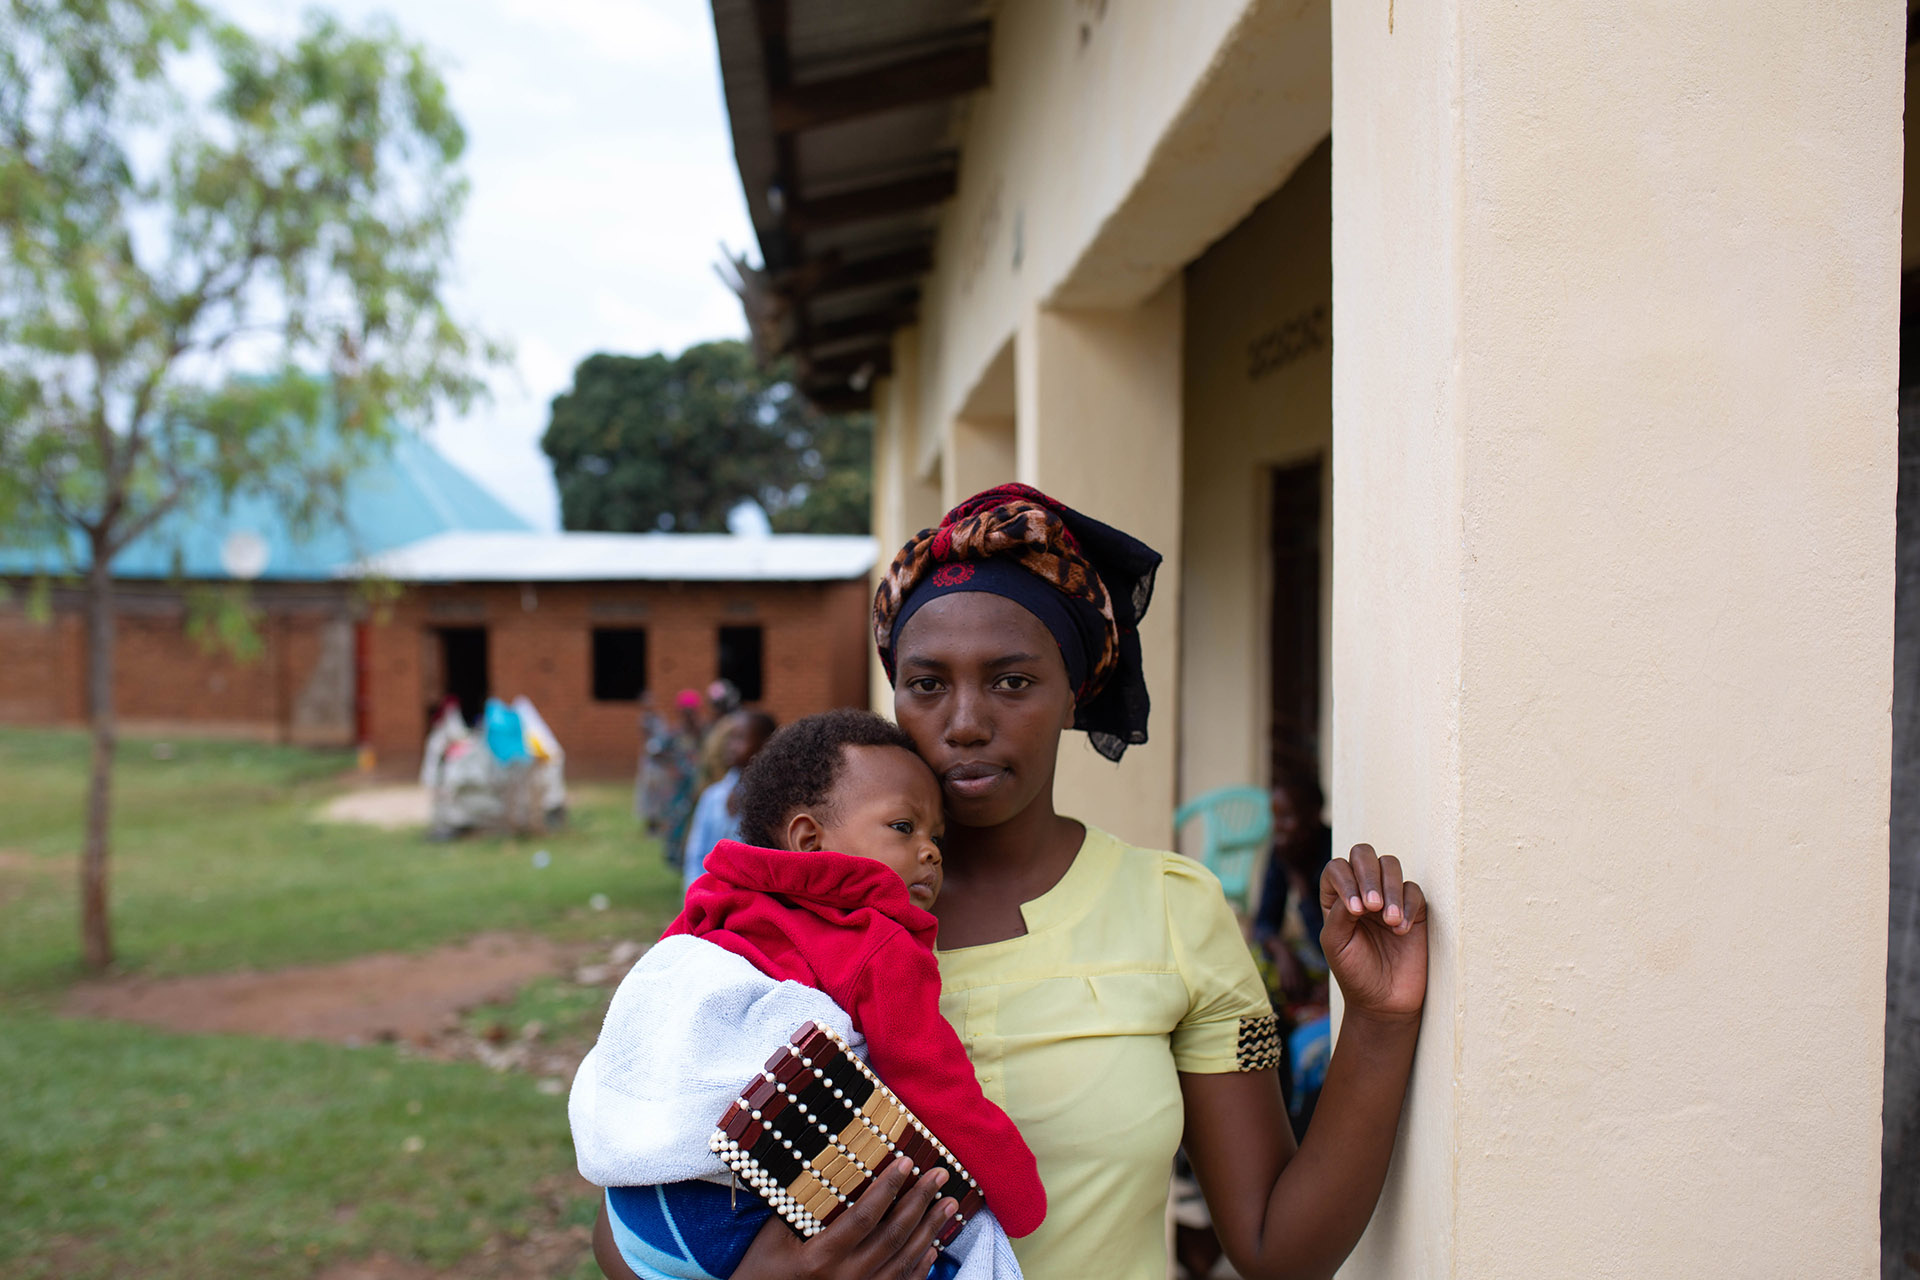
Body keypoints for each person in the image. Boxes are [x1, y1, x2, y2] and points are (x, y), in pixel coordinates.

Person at [596, 483, 1428, 1280]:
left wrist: (1381, 1025)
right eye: (927, 684)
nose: (964, 722)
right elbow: (628, 1199)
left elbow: (1277, 1250)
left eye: (1012, 681)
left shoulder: (1173, 910)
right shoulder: (797, 913)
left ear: (1075, 691)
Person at [572, 709, 1043, 1278]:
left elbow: (665, 987)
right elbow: (931, 1080)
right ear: (808, 839)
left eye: (937, 837)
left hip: (641, 1207)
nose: (931, 852)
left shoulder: (721, 894)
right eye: (903, 827)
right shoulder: (878, 939)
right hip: (742, 1219)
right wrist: (1017, 1192)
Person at [682, 711, 778, 895]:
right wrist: (696, 897)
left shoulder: (777, 801)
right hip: (709, 902)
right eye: (730, 738)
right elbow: (696, 855)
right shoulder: (712, 797)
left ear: (766, 744)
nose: (731, 746)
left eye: (740, 738)